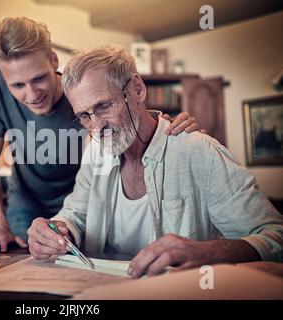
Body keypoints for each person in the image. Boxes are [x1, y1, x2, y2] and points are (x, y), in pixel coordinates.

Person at [27, 45, 283, 277]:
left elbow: (275, 238)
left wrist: (207, 253)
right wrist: (57, 231)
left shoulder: (198, 151)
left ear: (137, 89)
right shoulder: (96, 155)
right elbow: (76, 214)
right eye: (84, 116)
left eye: (104, 106)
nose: (96, 127)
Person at [0, 17, 200, 253]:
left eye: (39, 78)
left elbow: (128, 123)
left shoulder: (80, 94)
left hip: (78, 201)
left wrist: (165, 129)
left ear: (54, 61)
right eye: (18, 86)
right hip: (25, 204)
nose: (32, 95)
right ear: (3, 79)